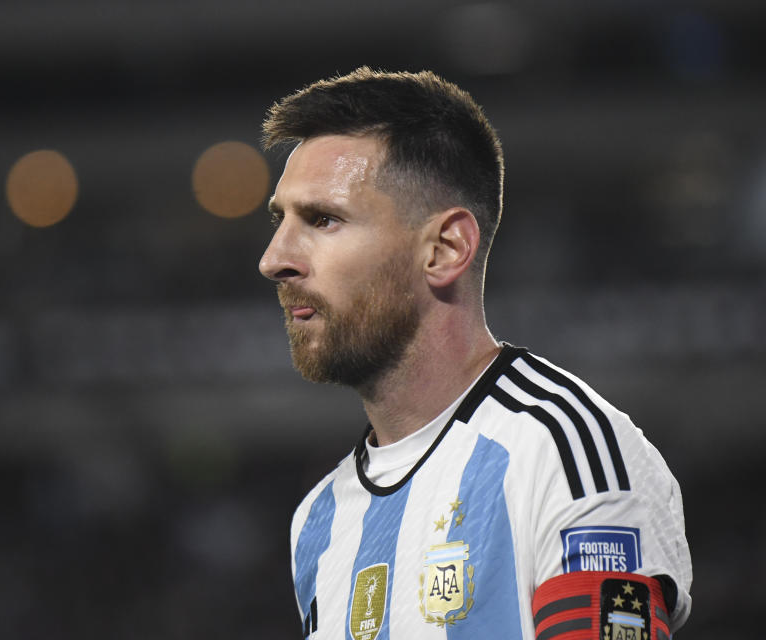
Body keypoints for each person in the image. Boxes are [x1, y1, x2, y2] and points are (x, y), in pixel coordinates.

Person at [257, 68, 692, 640]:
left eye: (323, 219)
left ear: (446, 248)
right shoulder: (320, 519)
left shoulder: (561, 450)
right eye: (279, 220)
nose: (274, 258)